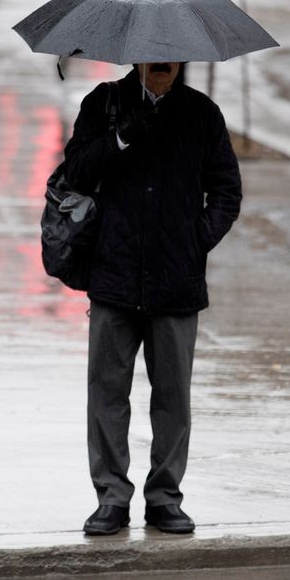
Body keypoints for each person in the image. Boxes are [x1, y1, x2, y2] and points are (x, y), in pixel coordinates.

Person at [61, 62, 242, 535]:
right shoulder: (103, 104)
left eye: (172, 55)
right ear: (136, 57)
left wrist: (196, 239)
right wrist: (119, 139)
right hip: (114, 277)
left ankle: (165, 499)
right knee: (106, 394)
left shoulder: (202, 113)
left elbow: (226, 191)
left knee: (172, 399)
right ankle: (111, 499)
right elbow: (75, 173)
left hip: (175, 283)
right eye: (153, 54)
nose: (163, 63)